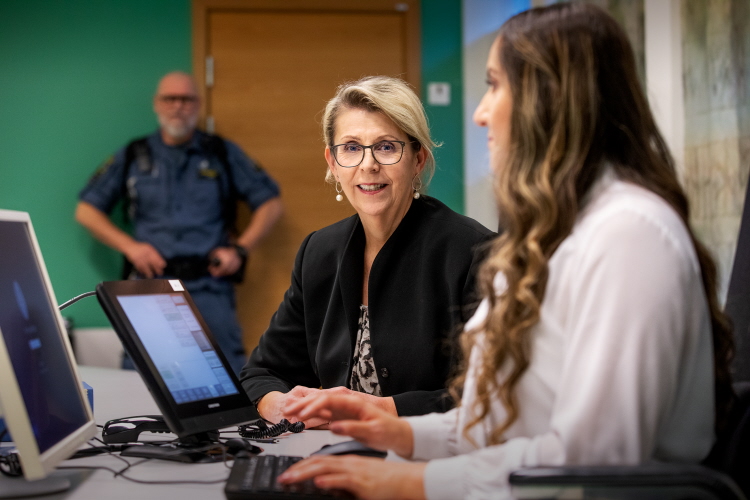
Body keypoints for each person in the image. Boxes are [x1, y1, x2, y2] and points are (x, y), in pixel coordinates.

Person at [275, 3, 735, 499]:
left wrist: (412, 481)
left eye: (494, 85)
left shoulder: (628, 236)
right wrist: (398, 431)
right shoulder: (558, 234)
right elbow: (504, 423)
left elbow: (592, 462)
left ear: (550, 99)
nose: (479, 113)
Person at [239, 76, 495, 425]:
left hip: (430, 459)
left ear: (417, 159)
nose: (368, 164)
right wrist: (281, 406)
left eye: (387, 147)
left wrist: (375, 410)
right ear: (332, 162)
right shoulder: (319, 251)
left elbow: (487, 395)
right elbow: (262, 372)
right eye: (351, 147)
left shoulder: (473, 252)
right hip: (331, 453)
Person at [76, 71, 283, 375]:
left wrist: (240, 250)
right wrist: (131, 248)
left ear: (198, 104)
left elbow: (271, 203)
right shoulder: (135, 154)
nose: (178, 106)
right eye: (169, 99)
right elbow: (87, 210)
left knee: (226, 379)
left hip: (209, 287)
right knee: (139, 379)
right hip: (150, 286)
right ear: (156, 104)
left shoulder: (220, 153)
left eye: (186, 99)